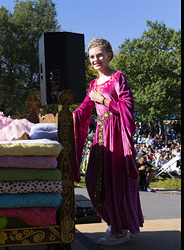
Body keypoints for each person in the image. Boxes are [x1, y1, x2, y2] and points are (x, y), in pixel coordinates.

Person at [73, 38, 144, 246]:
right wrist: (67, 118)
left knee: (115, 182)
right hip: (101, 135)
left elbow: (127, 108)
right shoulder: (94, 84)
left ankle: (119, 229)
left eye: (100, 55)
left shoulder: (118, 77)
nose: (96, 59)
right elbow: (84, 109)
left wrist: (103, 100)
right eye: (92, 57)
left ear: (109, 55)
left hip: (116, 136)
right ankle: (115, 223)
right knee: (94, 179)